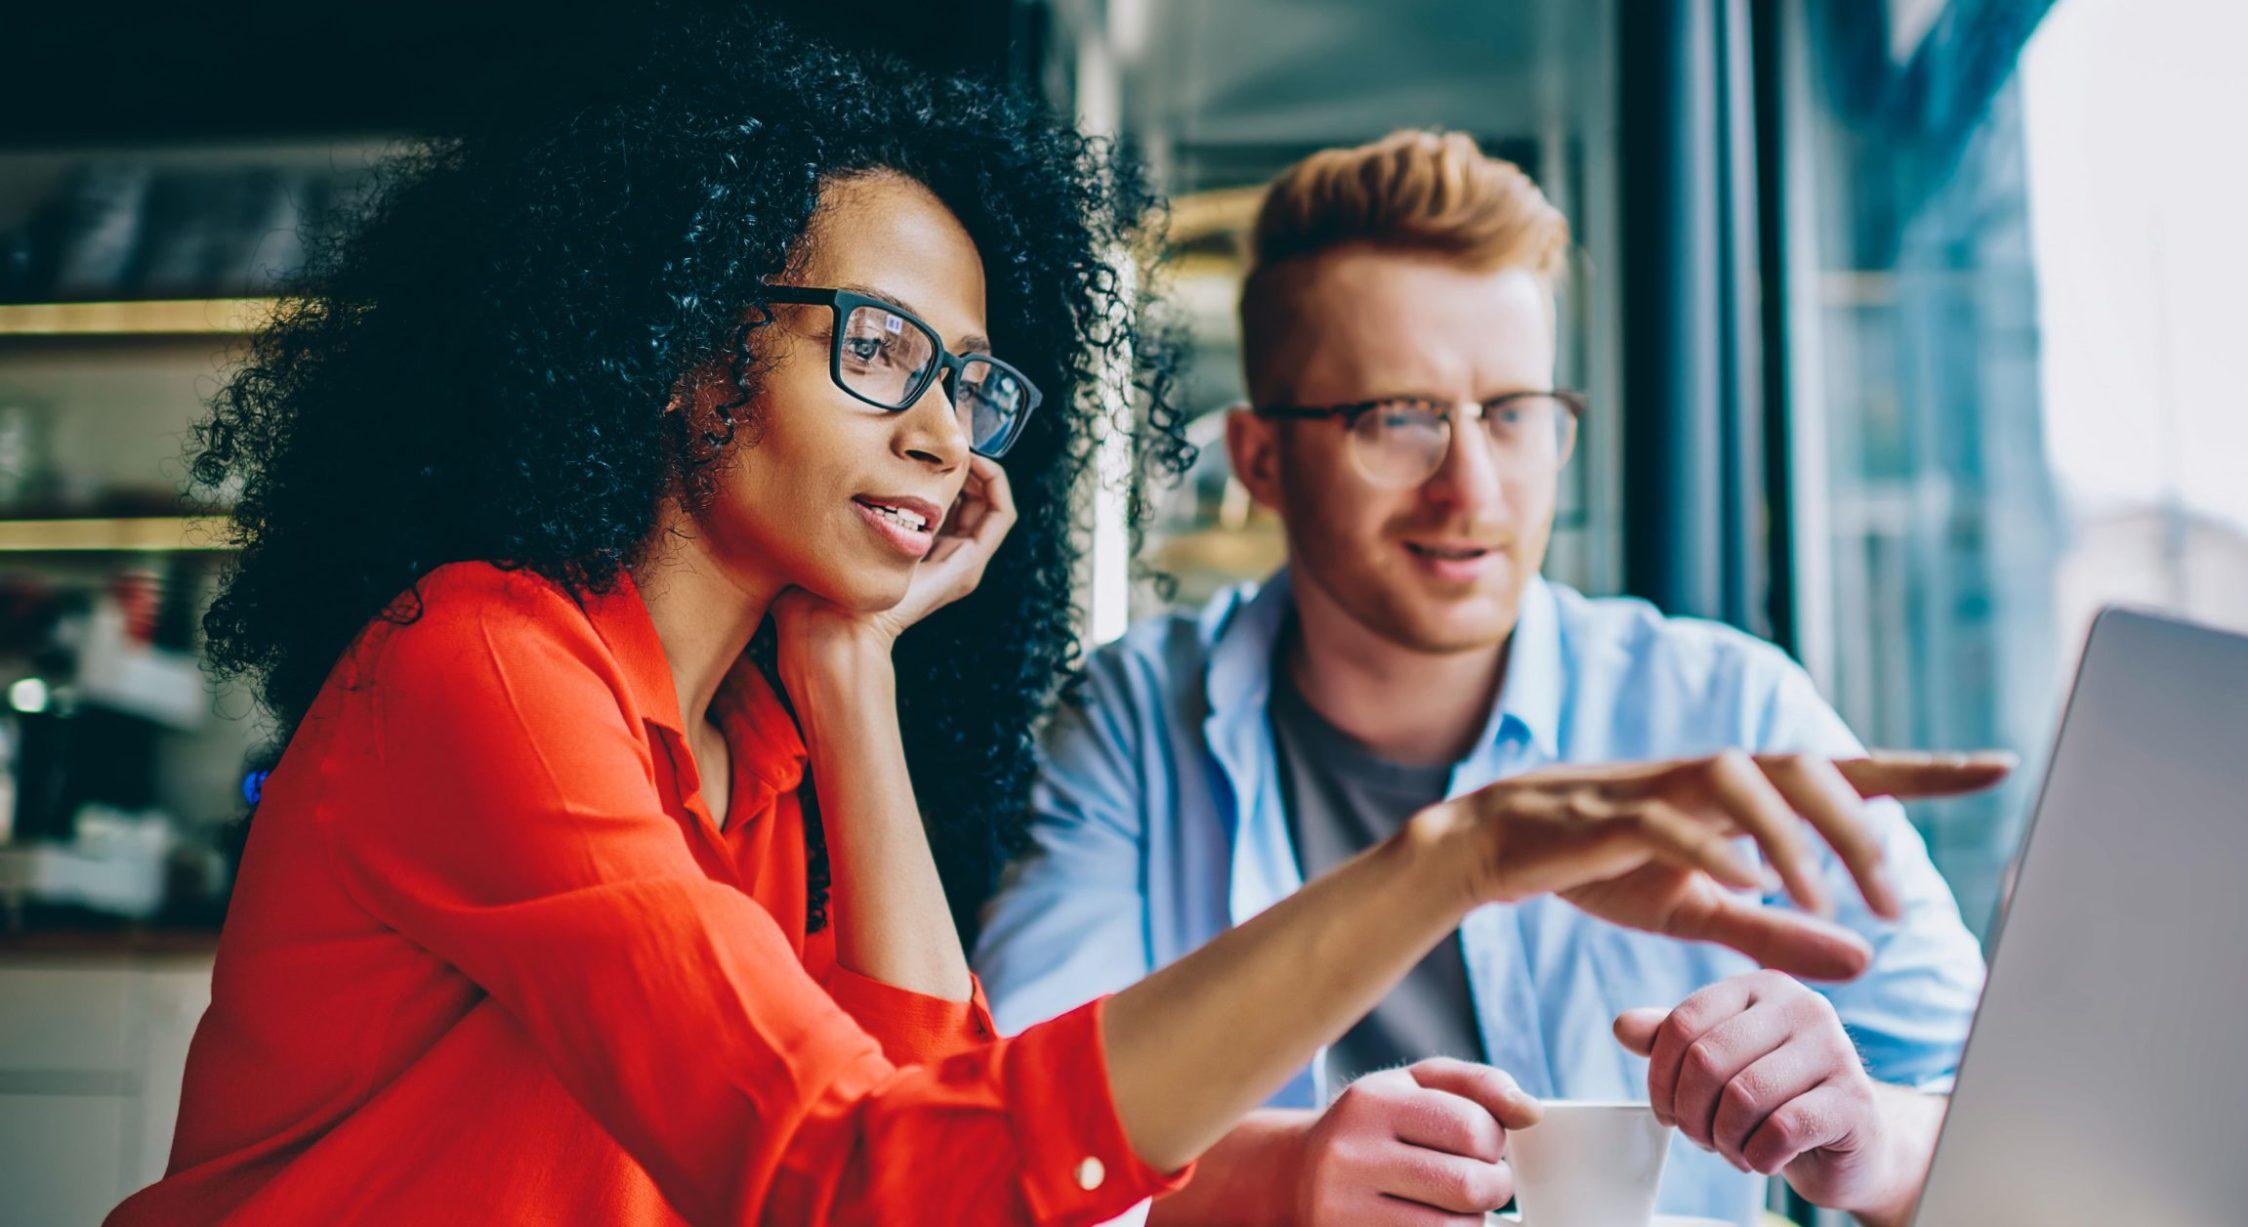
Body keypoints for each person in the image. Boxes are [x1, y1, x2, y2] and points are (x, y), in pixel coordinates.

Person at [109, 18, 2003, 1227]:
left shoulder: (759, 744)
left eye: (975, 383)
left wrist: (852, 677)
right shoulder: (490, 668)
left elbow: (920, 1122)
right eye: (880, 352)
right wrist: (1462, 858)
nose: (944, 427)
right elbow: (860, 1175)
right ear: (682, 356)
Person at [973, 130, 1997, 1227]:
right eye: (1397, 420)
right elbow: (1006, 1143)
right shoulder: (1137, 719)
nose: (1471, 490)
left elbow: (1999, 1119)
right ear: (1261, 460)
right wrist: (1275, 1178)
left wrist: (1867, 1138)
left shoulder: (1726, 709)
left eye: (1512, 415)